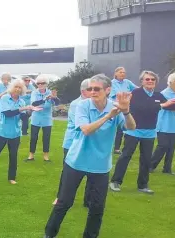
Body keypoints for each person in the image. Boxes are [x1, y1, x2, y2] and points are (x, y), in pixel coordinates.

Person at [43, 74, 136, 238]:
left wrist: (126, 111)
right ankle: (49, 234)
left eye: (97, 88)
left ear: (107, 90)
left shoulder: (115, 107)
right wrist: (108, 116)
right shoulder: (82, 106)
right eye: (90, 89)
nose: (92, 91)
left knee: (97, 207)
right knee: (64, 202)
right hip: (76, 162)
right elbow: (86, 129)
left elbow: (131, 128)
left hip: (100, 166)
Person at [110, 71, 175, 194]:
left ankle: (142, 185)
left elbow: (172, 107)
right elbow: (143, 107)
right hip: (134, 131)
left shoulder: (158, 96)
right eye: (147, 79)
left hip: (150, 132)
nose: (150, 81)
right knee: (125, 156)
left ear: (156, 82)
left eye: (153, 79)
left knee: (146, 159)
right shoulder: (135, 93)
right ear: (142, 81)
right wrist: (161, 106)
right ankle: (115, 181)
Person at [0, 78, 41, 184]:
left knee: (13, 156)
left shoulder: (21, 101)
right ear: (12, 88)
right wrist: (23, 109)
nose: (17, 89)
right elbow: (7, 113)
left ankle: (11, 178)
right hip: (2, 131)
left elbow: (23, 118)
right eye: (16, 87)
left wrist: (29, 112)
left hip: (15, 133)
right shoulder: (5, 98)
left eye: (20, 87)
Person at [53, 78, 91, 205]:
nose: (94, 92)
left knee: (91, 171)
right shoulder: (77, 104)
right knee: (68, 172)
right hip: (72, 142)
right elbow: (81, 125)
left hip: (88, 142)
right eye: (91, 89)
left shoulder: (94, 103)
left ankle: (88, 200)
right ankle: (60, 197)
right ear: (84, 91)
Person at [151, 73, 175, 175]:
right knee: (162, 146)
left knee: (171, 147)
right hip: (164, 125)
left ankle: (167, 169)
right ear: (170, 83)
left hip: (174, 125)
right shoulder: (165, 94)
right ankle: (150, 166)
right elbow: (174, 108)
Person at [27, 75, 60, 162]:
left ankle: (46, 156)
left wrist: (55, 98)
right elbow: (34, 103)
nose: (40, 85)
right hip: (36, 118)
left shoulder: (50, 92)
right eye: (38, 83)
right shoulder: (34, 92)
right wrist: (45, 99)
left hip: (47, 118)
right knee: (33, 137)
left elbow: (56, 104)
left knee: (46, 138)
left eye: (43, 83)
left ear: (46, 84)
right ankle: (31, 155)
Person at [109, 67, 138, 154]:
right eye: (121, 72)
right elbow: (116, 95)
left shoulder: (127, 82)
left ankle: (118, 148)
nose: (123, 74)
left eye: (124, 72)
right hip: (115, 107)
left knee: (125, 127)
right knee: (116, 128)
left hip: (125, 107)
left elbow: (136, 89)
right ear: (116, 73)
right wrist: (126, 95)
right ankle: (113, 146)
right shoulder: (111, 83)